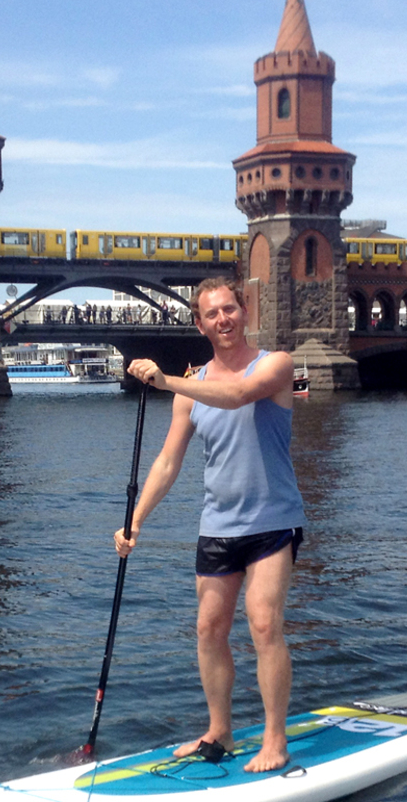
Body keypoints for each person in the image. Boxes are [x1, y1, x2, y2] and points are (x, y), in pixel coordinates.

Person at [113, 277, 306, 774]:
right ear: (199, 324)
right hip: (218, 525)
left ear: (244, 312)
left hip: (272, 520)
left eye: (230, 309)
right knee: (208, 628)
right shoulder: (191, 390)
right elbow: (167, 463)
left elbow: (239, 395)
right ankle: (219, 731)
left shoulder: (277, 366)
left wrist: (165, 381)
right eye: (212, 313)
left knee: (264, 623)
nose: (223, 319)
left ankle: (274, 739)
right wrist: (133, 522)